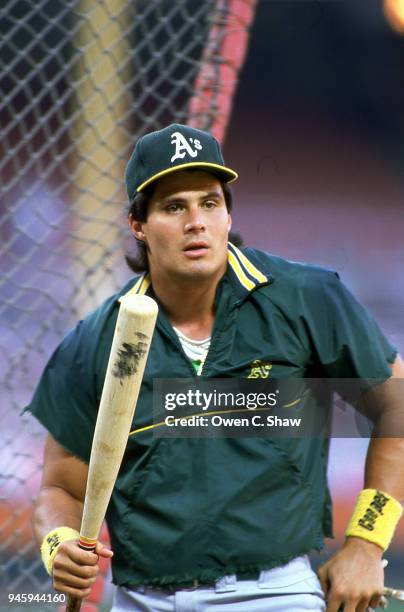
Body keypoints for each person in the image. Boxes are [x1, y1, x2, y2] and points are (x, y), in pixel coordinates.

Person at [27, 123, 404, 612]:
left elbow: (395, 408)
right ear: (138, 225)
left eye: (209, 203)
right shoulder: (94, 341)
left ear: (228, 214)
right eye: (173, 207)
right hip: (142, 600)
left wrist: (367, 544)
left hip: (276, 594)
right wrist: (58, 545)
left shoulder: (306, 299)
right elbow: (59, 487)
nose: (196, 222)